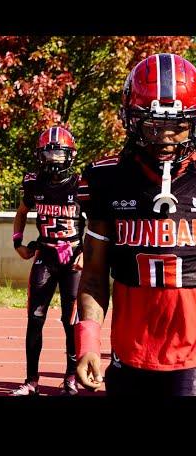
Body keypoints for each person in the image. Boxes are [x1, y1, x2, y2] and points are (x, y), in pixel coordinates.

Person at [76, 53, 196, 396]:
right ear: (132, 120)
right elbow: (95, 274)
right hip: (128, 354)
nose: (167, 137)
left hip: (191, 359)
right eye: (153, 123)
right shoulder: (106, 179)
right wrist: (87, 341)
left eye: (179, 123)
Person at [10, 126, 84, 396]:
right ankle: (31, 381)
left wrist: (87, 251)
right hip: (45, 256)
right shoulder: (34, 183)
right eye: (49, 154)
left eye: (59, 154)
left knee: (70, 321)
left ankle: (71, 377)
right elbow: (21, 212)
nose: (53, 159)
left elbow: (98, 222)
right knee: (34, 318)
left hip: (73, 259)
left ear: (70, 156)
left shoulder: (80, 184)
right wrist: (17, 242)